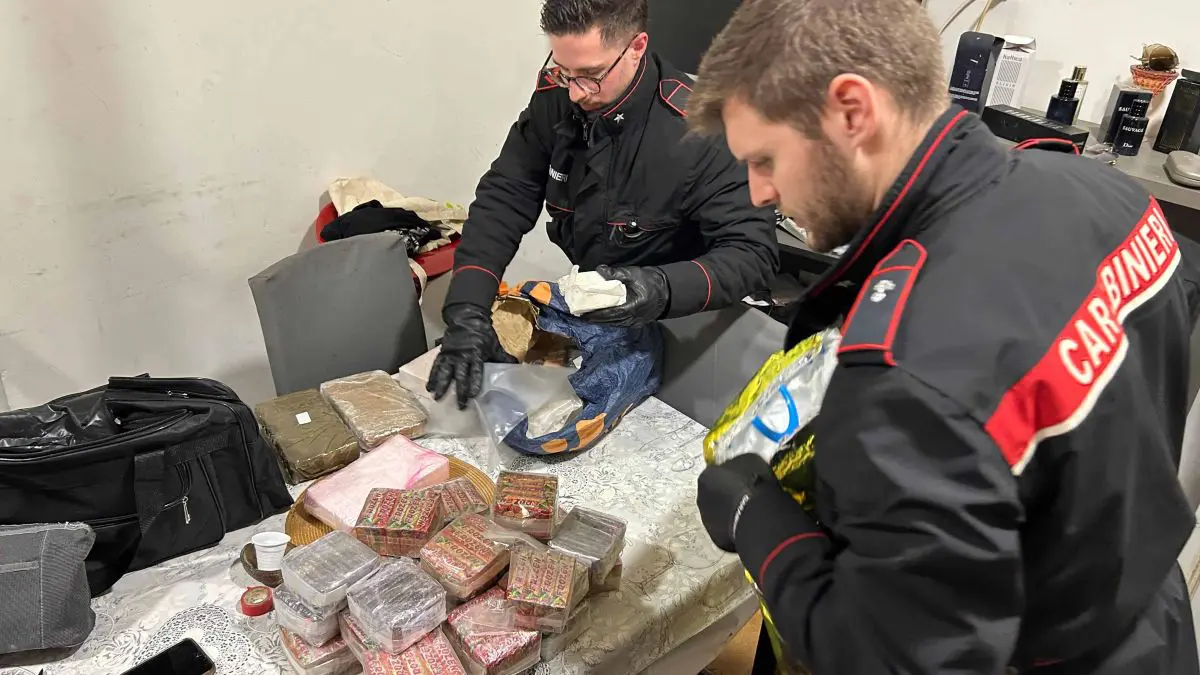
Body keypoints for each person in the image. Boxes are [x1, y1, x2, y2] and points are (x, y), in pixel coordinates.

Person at [690, 0, 1200, 673]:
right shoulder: (1105, 194)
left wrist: (758, 522)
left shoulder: (909, 371)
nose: (758, 192)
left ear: (852, 111)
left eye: (765, 159)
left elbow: (890, 657)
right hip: (1150, 618)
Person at [427, 0, 779, 409]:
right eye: (563, 70)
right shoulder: (557, 98)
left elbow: (752, 254)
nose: (576, 92)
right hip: (604, 316)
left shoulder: (703, 131)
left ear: (636, 47)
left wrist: (662, 289)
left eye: (592, 76)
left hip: (687, 330)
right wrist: (468, 309)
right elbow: (505, 197)